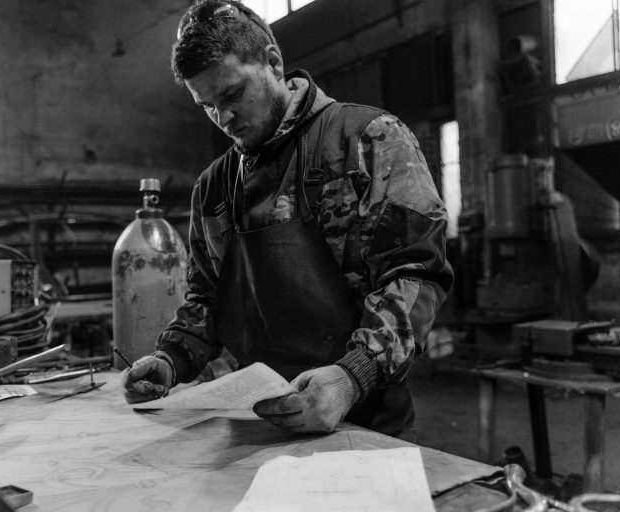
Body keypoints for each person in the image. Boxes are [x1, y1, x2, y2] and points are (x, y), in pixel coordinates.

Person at [121, 0, 453, 439]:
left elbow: (415, 276)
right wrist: (171, 360)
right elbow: (206, 298)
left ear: (273, 63)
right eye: (207, 106)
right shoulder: (214, 188)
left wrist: (352, 377)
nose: (224, 118)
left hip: (364, 424)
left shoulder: (367, 140)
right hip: (255, 424)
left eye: (233, 94)